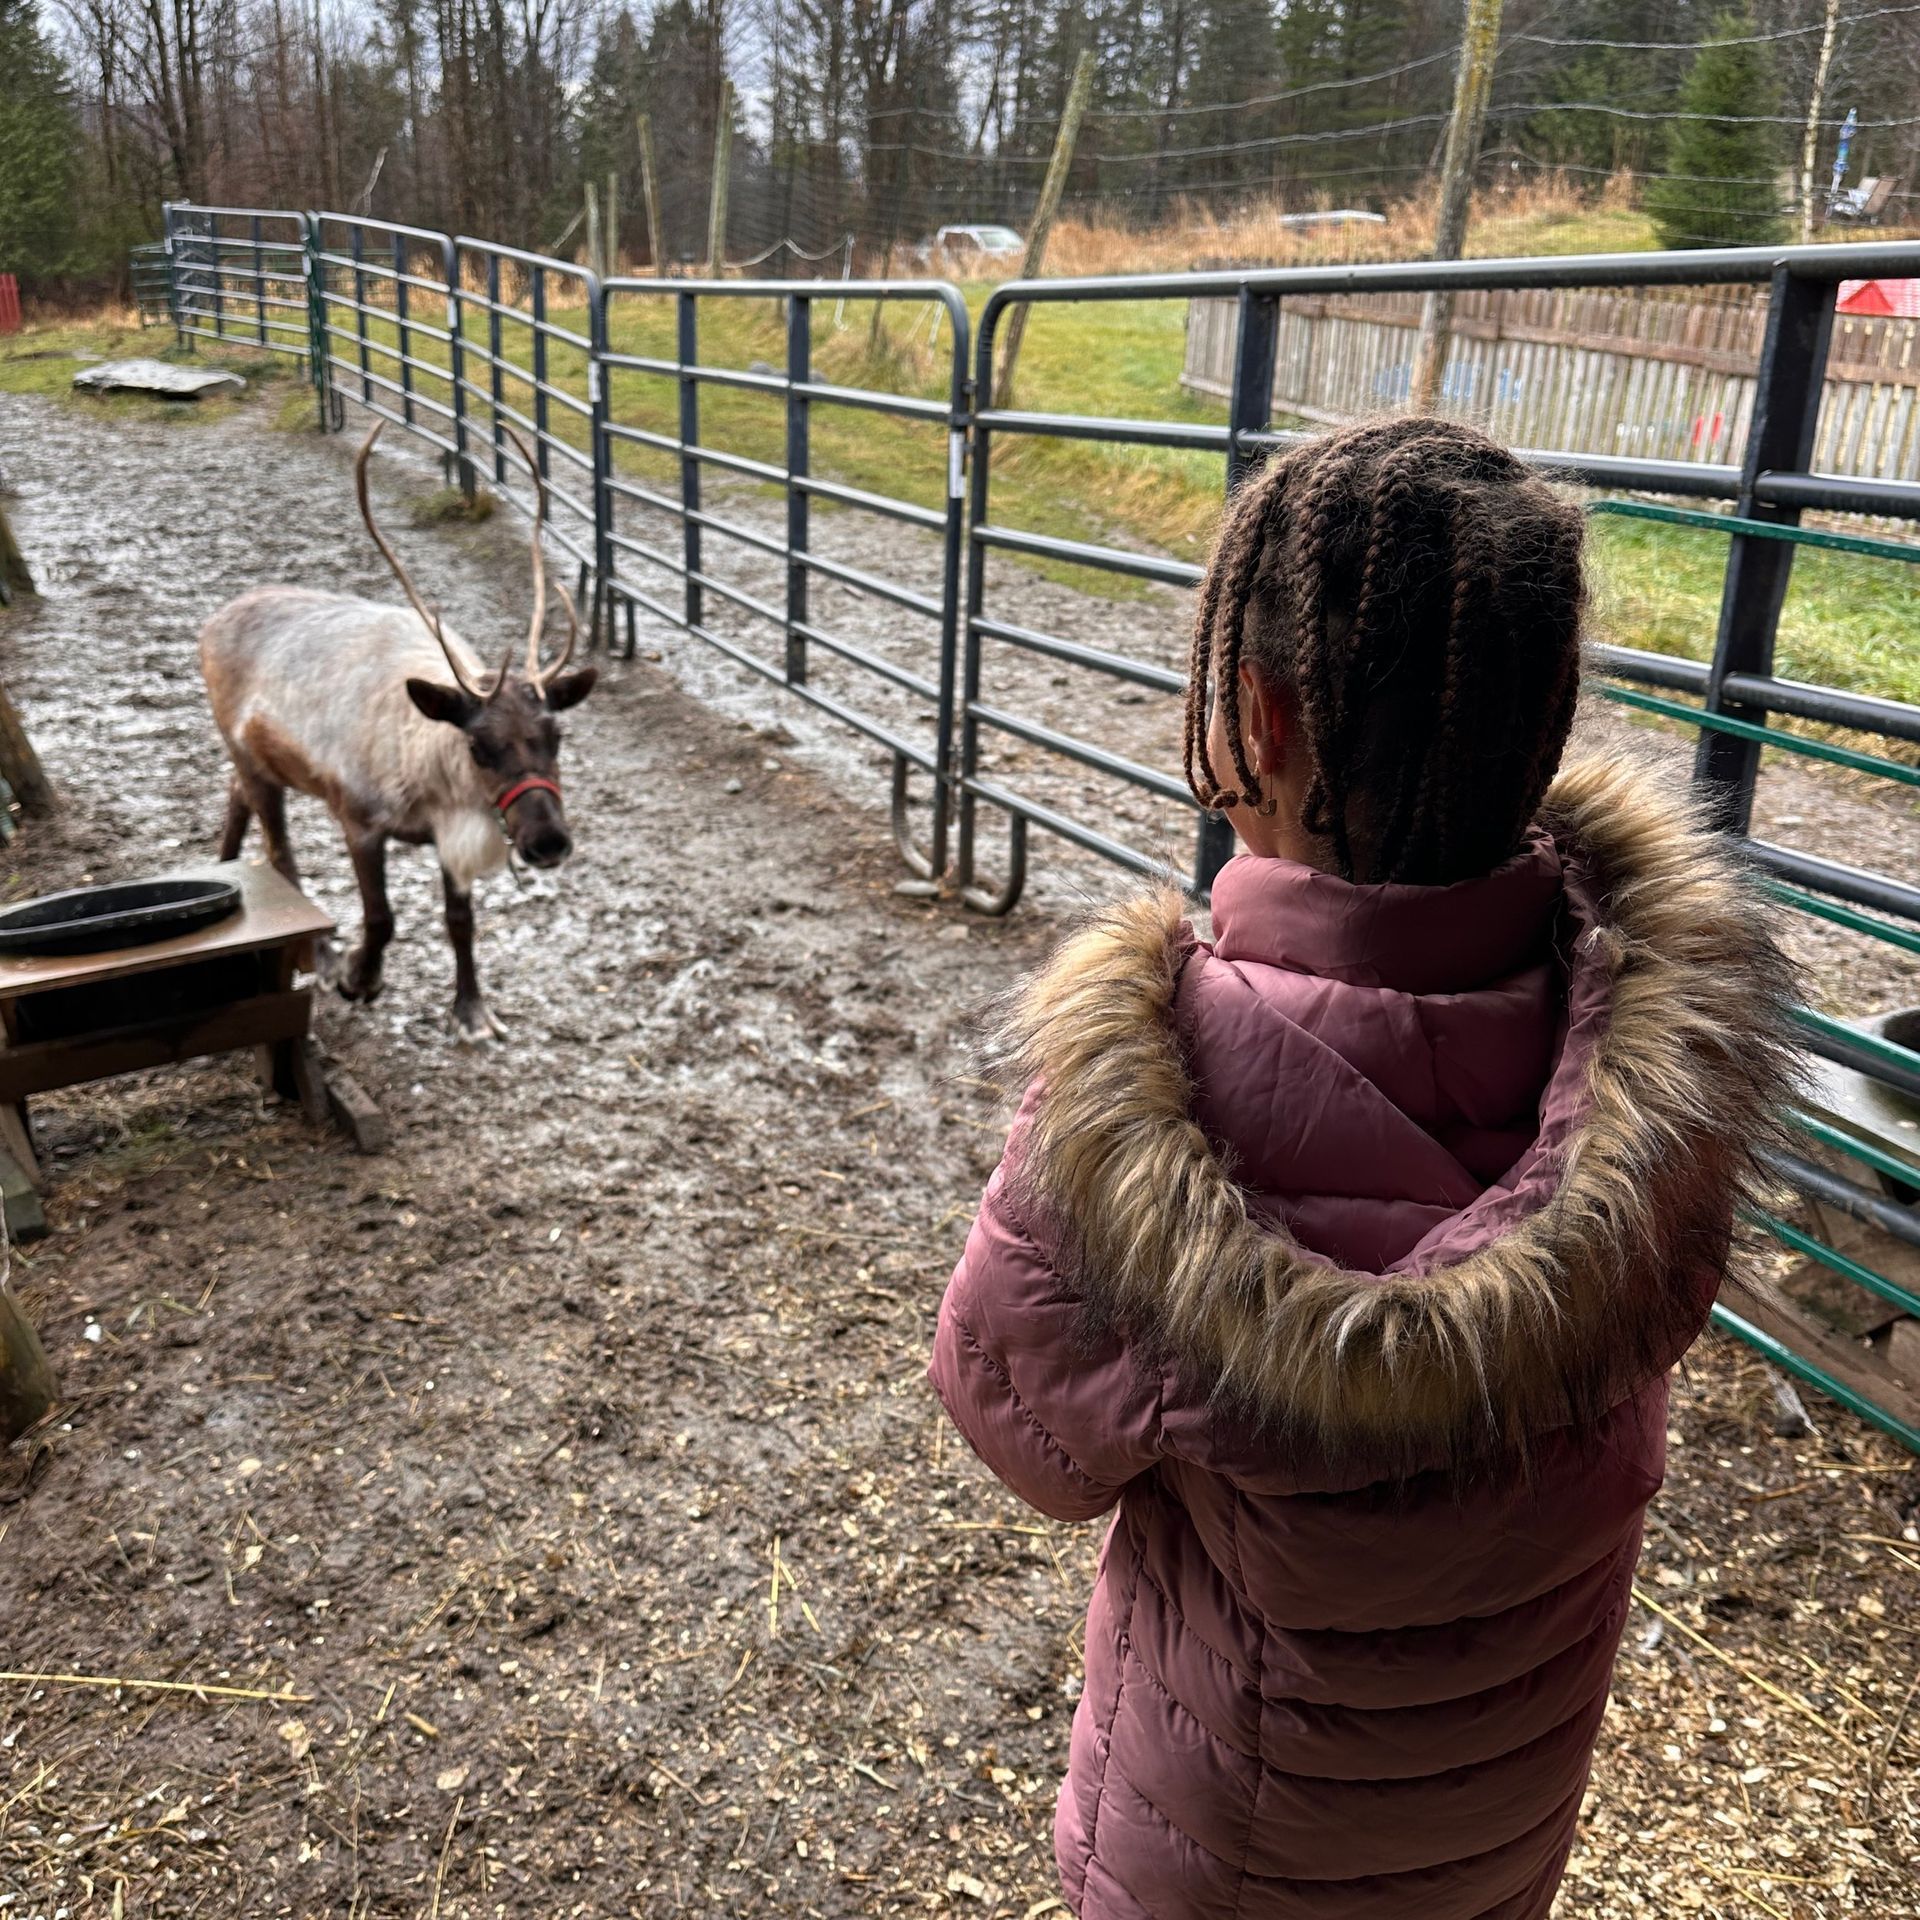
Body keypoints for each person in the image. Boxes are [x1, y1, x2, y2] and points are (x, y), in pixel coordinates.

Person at [927, 416, 1797, 1920]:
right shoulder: (1658, 1088)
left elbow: (1020, 1439)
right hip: (1500, 1821)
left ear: (1257, 722)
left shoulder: (1138, 1111)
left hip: (1220, 1853)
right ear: (1543, 717)